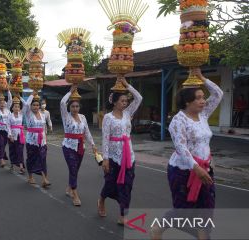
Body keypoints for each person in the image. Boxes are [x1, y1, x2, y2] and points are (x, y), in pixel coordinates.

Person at [151, 68, 223, 240]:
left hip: (205, 168)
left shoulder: (204, 115)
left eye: (202, 96)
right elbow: (181, 148)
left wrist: (202, 78)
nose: (203, 101)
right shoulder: (178, 120)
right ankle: (159, 227)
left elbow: (218, 93)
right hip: (183, 170)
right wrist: (196, 168)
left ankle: (203, 236)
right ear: (186, 102)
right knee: (183, 209)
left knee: (206, 207)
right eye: (198, 98)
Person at [98, 77, 143, 225]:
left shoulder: (128, 113)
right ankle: (102, 199)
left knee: (127, 185)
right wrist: (105, 158)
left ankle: (123, 215)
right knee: (110, 183)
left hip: (128, 155)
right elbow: (105, 138)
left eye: (126, 101)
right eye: (122, 101)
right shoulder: (108, 118)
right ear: (115, 102)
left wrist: (127, 85)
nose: (125, 103)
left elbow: (139, 97)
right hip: (112, 156)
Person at [60, 85, 97, 206]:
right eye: (72, 106)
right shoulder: (66, 116)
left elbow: (86, 132)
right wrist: (70, 92)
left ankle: (69, 187)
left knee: (75, 170)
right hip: (68, 146)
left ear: (79, 107)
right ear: (69, 107)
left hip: (81, 147)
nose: (75, 108)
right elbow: (62, 102)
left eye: (77, 106)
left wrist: (93, 144)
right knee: (73, 168)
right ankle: (75, 194)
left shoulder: (83, 117)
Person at [23, 94, 51, 187]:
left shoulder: (43, 114)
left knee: (42, 158)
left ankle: (44, 179)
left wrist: (45, 141)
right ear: (31, 106)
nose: (36, 107)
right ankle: (30, 176)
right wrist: (32, 94)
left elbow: (43, 128)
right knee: (31, 158)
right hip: (31, 141)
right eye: (34, 105)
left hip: (42, 140)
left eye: (37, 105)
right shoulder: (28, 113)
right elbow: (26, 105)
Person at [7, 91, 26, 174]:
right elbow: (8, 126)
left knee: (20, 150)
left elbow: (26, 105)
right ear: (12, 108)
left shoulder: (21, 114)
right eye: (15, 107)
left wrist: (20, 97)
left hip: (20, 135)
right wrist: (10, 135)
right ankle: (12, 163)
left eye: (18, 107)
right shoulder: (9, 115)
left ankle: (21, 166)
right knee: (12, 150)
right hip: (12, 135)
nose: (17, 108)